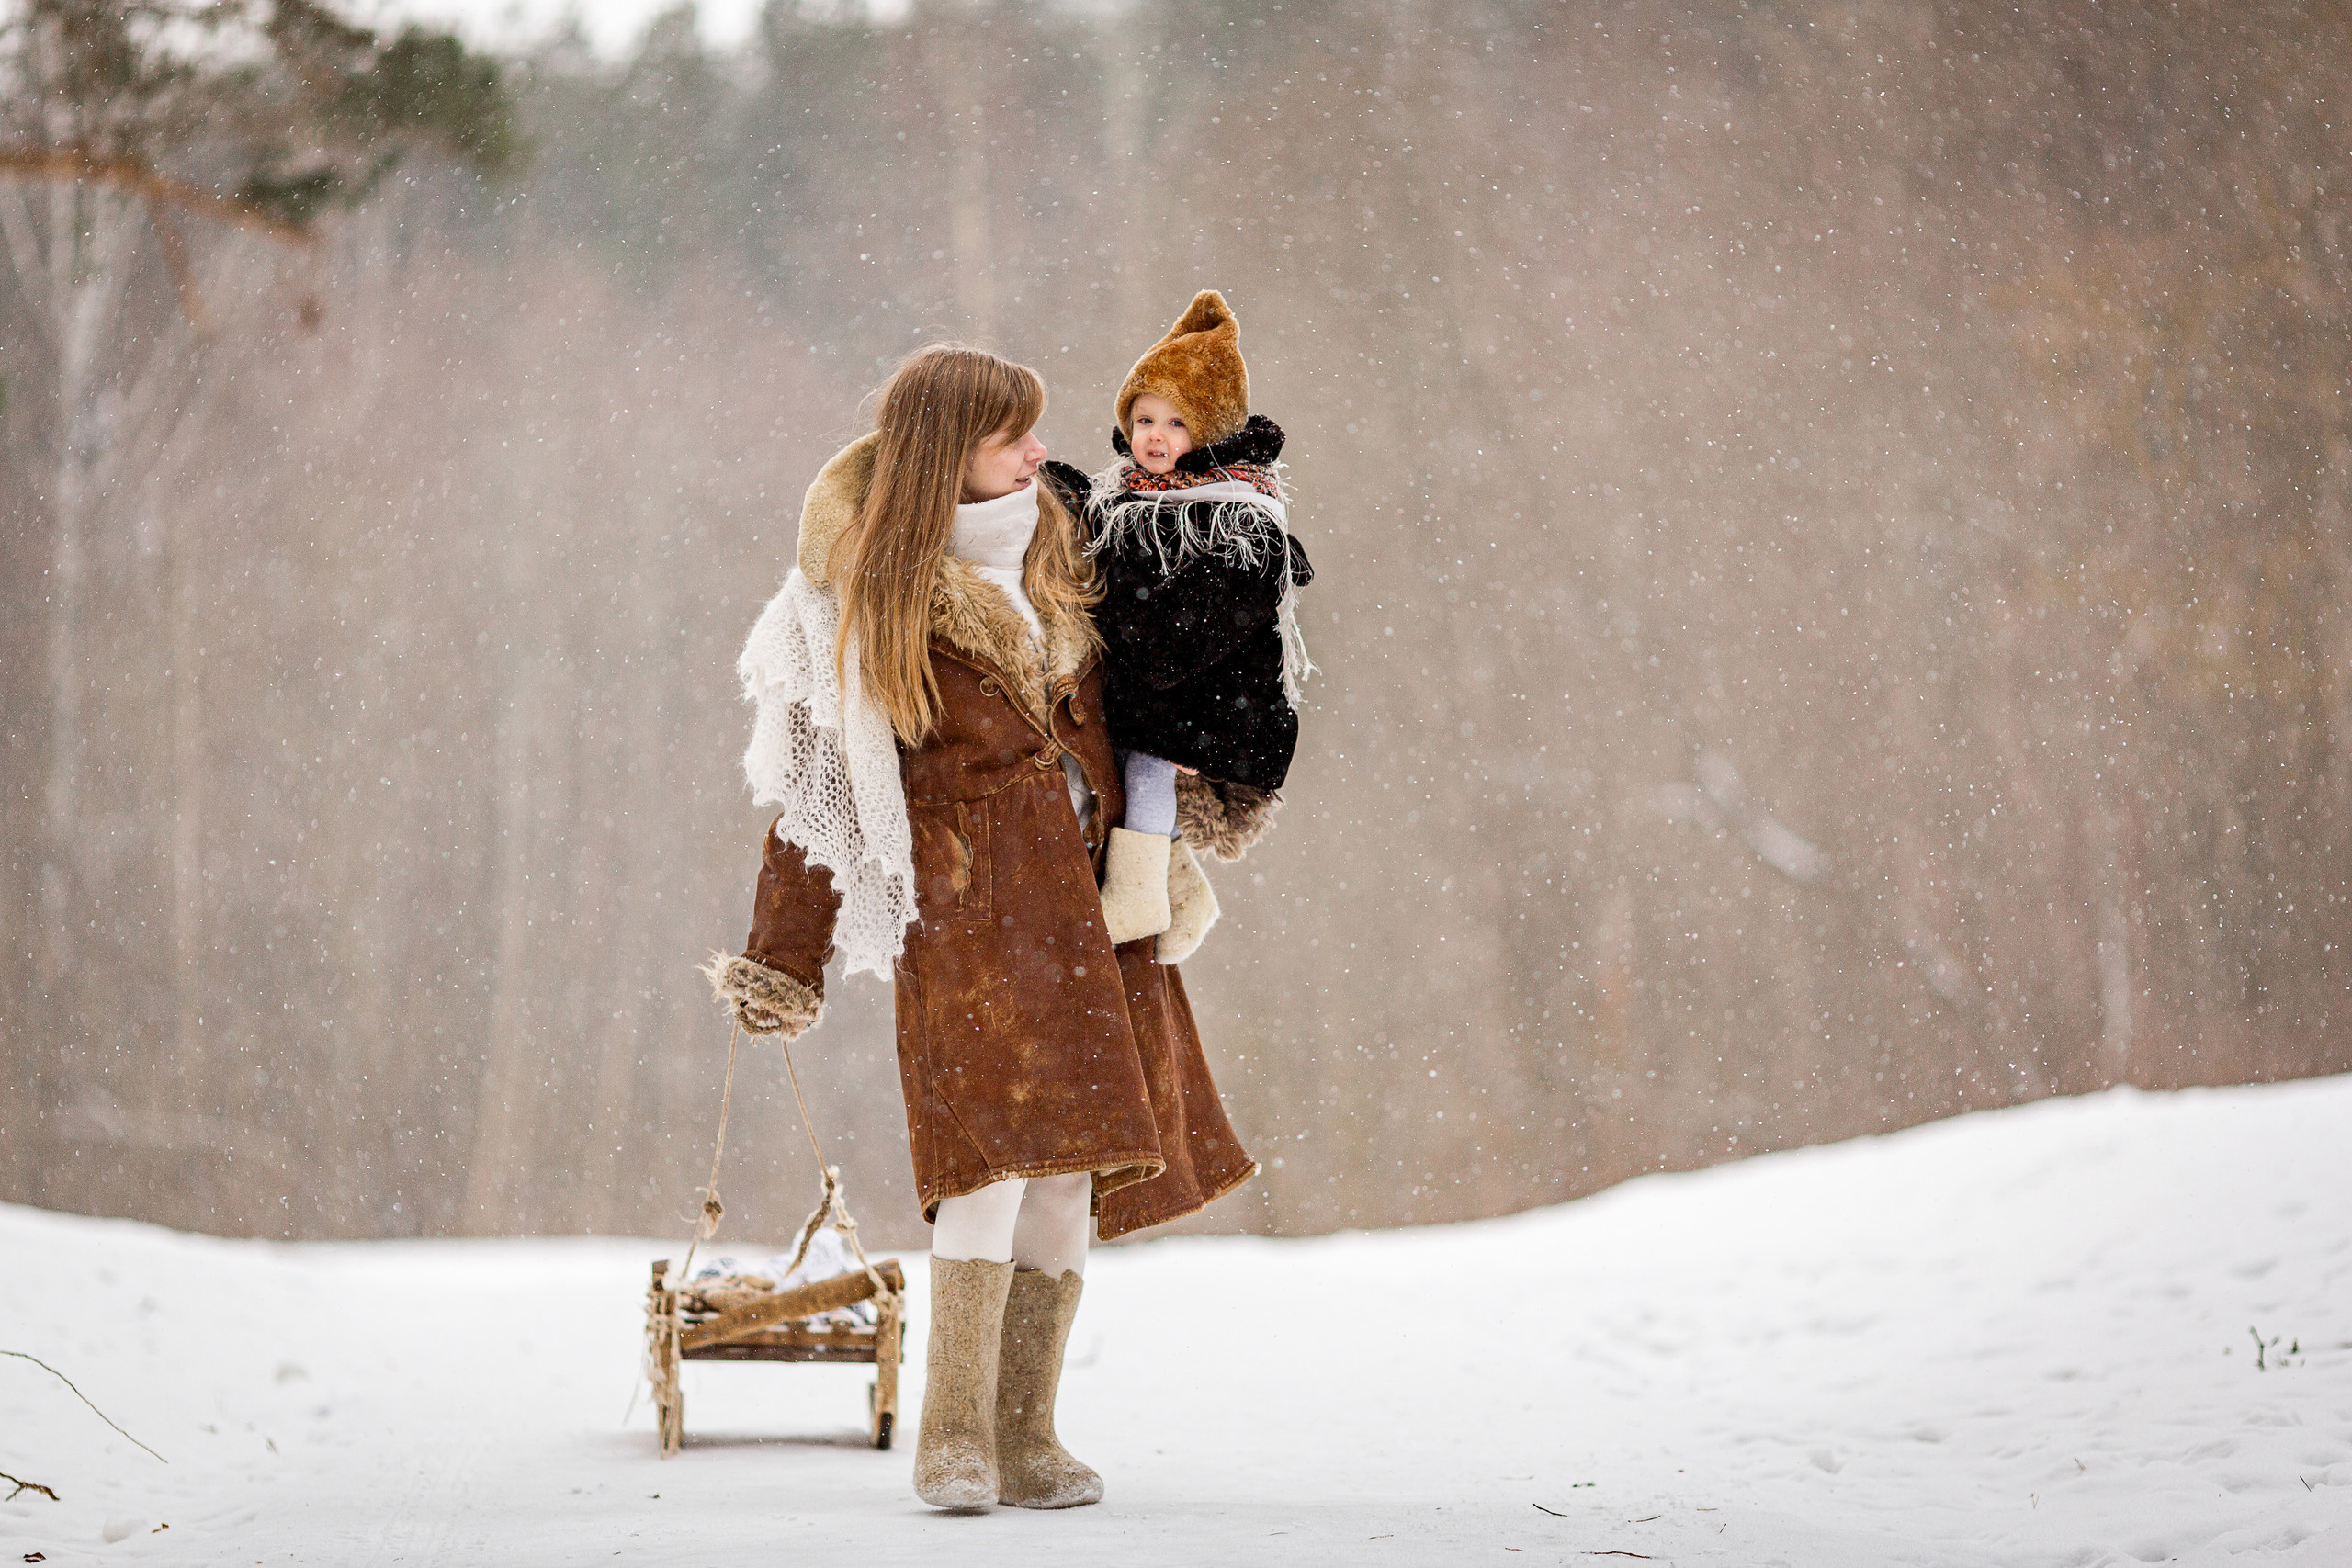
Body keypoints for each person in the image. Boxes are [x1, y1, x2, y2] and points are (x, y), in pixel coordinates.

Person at [704, 345, 1256, 1512]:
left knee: (1070, 1177)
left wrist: (1227, 766)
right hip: (971, 918)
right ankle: (952, 1438)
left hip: (1103, 909)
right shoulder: (862, 597)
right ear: (949, 454)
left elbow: (1161, 699)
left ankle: (1027, 1434)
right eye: (1012, 437)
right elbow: (817, 788)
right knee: (987, 1171)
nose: (1039, 453)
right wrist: (781, 959)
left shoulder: (1079, 558)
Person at [1053, 290, 1314, 942]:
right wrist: (1072, 496)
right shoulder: (1138, 496)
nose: (1156, 437)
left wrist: (1114, 595)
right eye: (1144, 419)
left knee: (1145, 758)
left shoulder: (1237, 522)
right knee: (1125, 746)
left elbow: (1170, 637)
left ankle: (1140, 890)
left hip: (1215, 700)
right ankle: (1182, 890)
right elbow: (1117, 541)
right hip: (1175, 691)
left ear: (1209, 433)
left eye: (1176, 423)